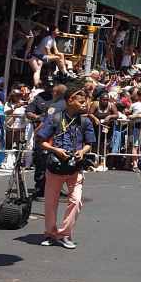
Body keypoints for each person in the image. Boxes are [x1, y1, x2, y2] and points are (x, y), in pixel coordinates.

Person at [36, 81, 95, 250]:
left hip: (75, 167)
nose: (84, 104)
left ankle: (65, 234)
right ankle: (50, 233)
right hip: (55, 167)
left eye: (85, 101)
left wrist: (82, 152)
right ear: (70, 100)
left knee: (76, 201)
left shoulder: (85, 121)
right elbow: (40, 140)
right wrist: (55, 150)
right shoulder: (55, 118)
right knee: (50, 203)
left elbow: (89, 143)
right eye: (81, 101)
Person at [27, 82, 67, 199]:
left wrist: (37, 133)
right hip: (62, 138)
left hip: (49, 138)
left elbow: (47, 121)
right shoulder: (67, 104)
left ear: (56, 93)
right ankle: (56, 188)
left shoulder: (54, 106)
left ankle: (41, 189)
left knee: (42, 162)